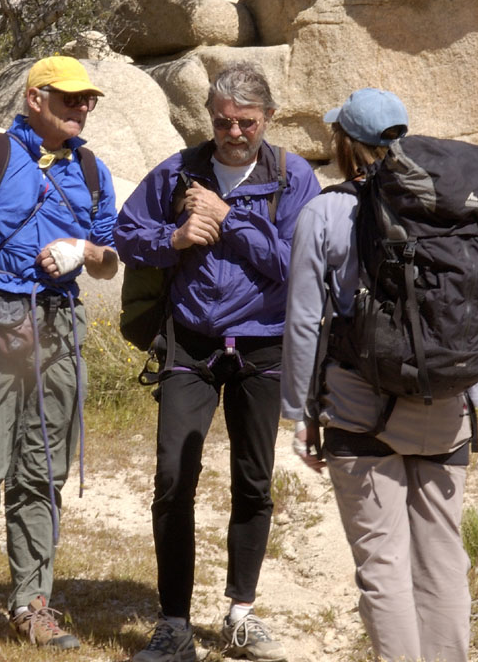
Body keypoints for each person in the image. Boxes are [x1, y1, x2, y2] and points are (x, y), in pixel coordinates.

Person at [114, 62, 320, 662]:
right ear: (209, 117)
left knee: (254, 480)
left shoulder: (293, 176)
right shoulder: (178, 171)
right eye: (223, 121)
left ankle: (240, 615)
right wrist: (174, 239)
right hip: (191, 341)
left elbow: (296, 265)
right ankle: (174, 626)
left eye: (246, 122)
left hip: (263, 343)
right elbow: (126, 234)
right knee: (173, 478)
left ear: (268, 118)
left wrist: (229, 219)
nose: (233, 133)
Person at [280, 88, 473, 662]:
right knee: (443, 558)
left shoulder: (325, 212)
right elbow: (470, 306)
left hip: (358, 404)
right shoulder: (451, 205)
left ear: (345, 142)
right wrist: (467, 390)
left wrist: (299, 412)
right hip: (444, 404)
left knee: (382, 564)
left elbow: (304, 321)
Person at [0, 55, 119, 653]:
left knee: (43, 473)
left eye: (87, 99)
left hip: (60, 329)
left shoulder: (92, 170)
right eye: (70, 98)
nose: (82, 108)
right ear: (35, 98)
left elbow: (109, 260)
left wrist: (82, 253)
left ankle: (32, 603)